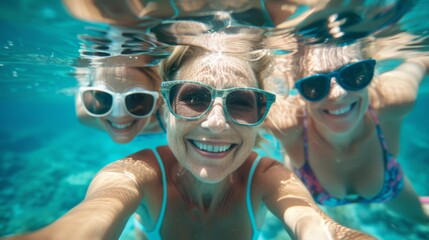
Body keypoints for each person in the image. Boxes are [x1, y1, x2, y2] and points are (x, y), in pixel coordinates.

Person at [0, 32, 375, 240]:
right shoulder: (138, 174)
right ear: (164, 109)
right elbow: (94, 215)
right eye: (194, 98)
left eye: (243, 102)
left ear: (261, 114)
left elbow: (315, 225)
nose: (215, 124)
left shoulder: (266, 177)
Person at [264, 40, 429, 223]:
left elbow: (422, 60)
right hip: (375, 184)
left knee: (423, 219)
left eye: (354, 74)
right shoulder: (286, 122)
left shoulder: (393, 99)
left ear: (370, 73)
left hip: (388, 187)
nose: (338, 94)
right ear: (299, 90)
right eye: (315, 85)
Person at [75, 64, 166, 144]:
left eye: (135, 98)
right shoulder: (85, 115)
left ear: (157, 102)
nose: (118, 115)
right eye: (103, 97)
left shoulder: (170, 120)